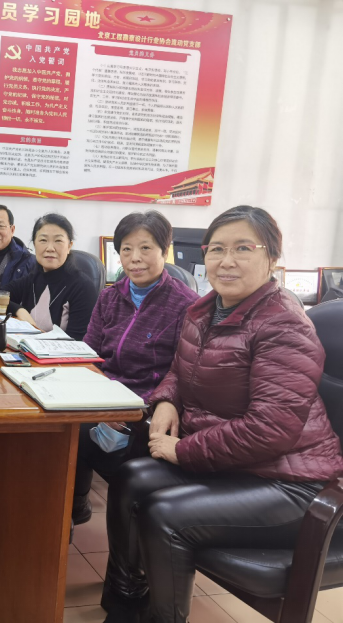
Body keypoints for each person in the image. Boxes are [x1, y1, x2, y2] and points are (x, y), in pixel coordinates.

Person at [101, 206, 343, 623]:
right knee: (129, 479)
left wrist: (183, 451)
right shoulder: (204, 310)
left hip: (292, 483)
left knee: (164, 515)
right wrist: (166, 400)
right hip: (238, 464)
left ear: (272, 258)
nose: (226, 261)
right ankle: (125, 605)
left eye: (243, 248)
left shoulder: (284, 326)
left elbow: (270, 429)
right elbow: (180, 369)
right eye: (217, 249)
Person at [72, 211, 199, 525]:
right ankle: (74, 507)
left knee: (80, 437)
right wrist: (100, 401)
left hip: (146, 408)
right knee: (58, 430)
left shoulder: (186, 305)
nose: (134, 258)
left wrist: (132, 407)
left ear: (164, 251)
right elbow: (90, 354)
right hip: (105, 399)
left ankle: (111, 518)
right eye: (126, 249)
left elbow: (183, 372)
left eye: (145, 248)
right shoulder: (109, 297)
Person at [0, 213, 95, 340]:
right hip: (26, 350)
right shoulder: (32, 279)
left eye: (58, 241)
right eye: (43, 240)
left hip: (58, 353)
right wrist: (18, 309)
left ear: (69, 246)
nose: (50, 248)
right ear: (34, 244)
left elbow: (77, 343)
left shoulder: (83, 287)